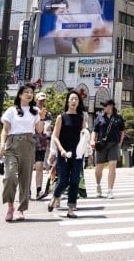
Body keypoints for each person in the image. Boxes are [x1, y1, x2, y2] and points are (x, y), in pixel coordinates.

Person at [0, 83, 47, 222]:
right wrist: (2, 146)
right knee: (9, 176)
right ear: (20, 94)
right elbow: (5, 130)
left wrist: (42, 117)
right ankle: (10, 206)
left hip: (28, 143)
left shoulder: (35, 110)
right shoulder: (11, 110)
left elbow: (39, 130)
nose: (29, 94)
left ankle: (21, 209)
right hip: (12, 144)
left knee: (25, 178)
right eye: (26, 92)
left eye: (31, 92)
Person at [48, 90, 88, 218]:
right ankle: (54, 198)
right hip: (64, 153)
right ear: (67, 101)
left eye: (76, 99)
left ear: (78, 102)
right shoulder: (61, 117)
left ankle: (71, 208)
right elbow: (55, 136)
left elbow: (84, 137)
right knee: (63, 181)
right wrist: (61, 151)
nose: (74, 101)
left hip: (77, 154)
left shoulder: (82, 118)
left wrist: (87, 152)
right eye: (71, 99)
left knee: (75, 181)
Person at [91, 99, 125, 198]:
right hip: (101, 145)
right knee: (99, 168)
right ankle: (98, 185)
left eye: (105, 105)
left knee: (112, 165)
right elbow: (94, 131)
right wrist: (92, 140)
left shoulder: (118, 118)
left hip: (114, 144)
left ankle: (110, 190)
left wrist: (120, 144)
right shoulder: (99, 117)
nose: (104, 107)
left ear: (111, 106)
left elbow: (122, 131)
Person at [33, 92, 53, 199]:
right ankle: (26, 190)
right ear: (36, 100)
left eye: (43, 100)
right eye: (40, 100)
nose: (41, 102)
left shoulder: (47, 114)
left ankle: (38, 190)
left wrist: (47, 134)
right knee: (27, 168)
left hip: (41, 143)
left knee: (39, 166)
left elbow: (48, 128)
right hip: (29, 142)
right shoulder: (31, 112)